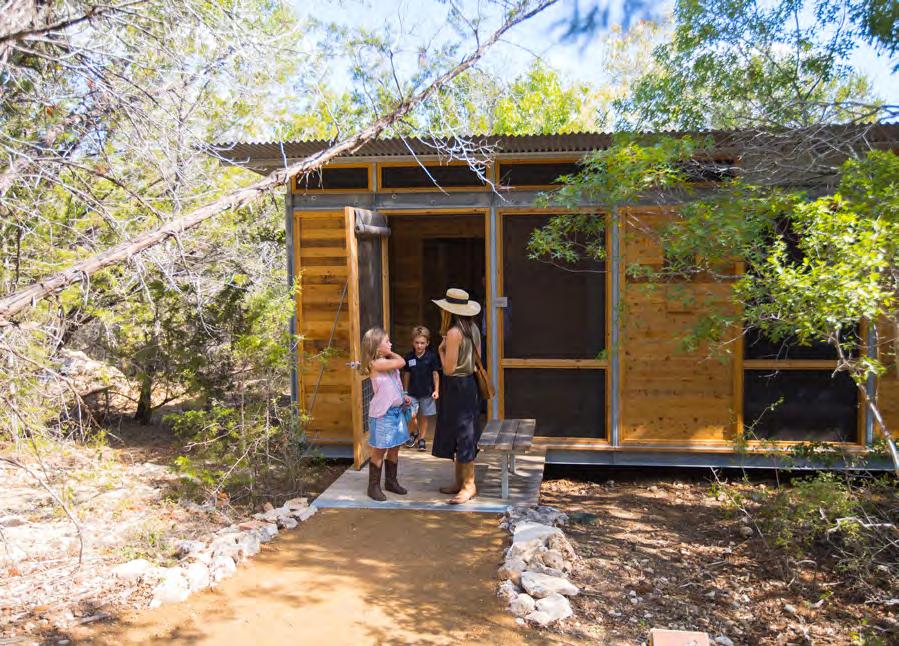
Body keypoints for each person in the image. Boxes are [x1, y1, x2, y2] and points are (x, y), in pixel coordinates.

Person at [431, 288, 481, 504]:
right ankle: (460, 481)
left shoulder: (453, 333)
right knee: (461, 432)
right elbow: (478, 357)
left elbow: (449, 369)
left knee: (463, 433)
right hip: (469, 384)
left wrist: (441, 351)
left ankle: (469, 485)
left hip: (455, 385)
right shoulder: (473, 328)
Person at [359, 327, 411, 501]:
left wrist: (403, 396)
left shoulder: (387, 362)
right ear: (376, 346)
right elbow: (402, 362)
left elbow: (396, 382)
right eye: (387, 342)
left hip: (396, 412)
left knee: (395, 447)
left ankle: (391, 481)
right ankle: (373, 486)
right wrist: (390, 353)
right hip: (383, 415)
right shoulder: (376, 364)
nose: (391, 344)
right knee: (380, 450)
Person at [402, 325, 440, 452]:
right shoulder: (409, 357)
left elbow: (435, 374)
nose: (419, 346)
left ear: (427, 343)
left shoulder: (431, 357)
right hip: (412, 392)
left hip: (427, 392)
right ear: (412, 342)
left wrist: (436, 390)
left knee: (424, 416)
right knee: (411, 415)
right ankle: (415, 432)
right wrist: (405, 391)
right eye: (417, 343)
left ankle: (421, 439)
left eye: (422, 343)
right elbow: (407, 374)